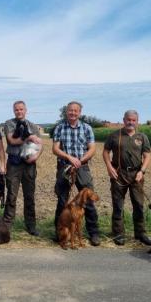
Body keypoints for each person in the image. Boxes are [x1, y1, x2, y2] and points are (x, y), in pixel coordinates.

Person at [51, 101, 101, 246]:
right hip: (64, 168)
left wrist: (80, 160)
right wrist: (69, 158)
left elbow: (92, 149)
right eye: (70, 110)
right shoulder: (60, 127)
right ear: (66, 112)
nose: (72, 113)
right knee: (62, 201)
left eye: (75, 111)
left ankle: (94, 233)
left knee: (89, 201)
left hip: (82, 168)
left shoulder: (87, 128)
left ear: (80, 112)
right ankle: (60, 232)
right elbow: (55, 149)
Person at [102, 110, 151, 246]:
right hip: (119, 174)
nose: (131, 122)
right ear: (124, 120)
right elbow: (105, 151)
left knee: (139, 205)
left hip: (137, 175)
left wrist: (142, 171)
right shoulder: (114, 135)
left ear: (137, 121)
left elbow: (147, 155)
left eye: (133, 120)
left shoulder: (142, 137)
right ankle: (118, 234)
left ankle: (140, 233)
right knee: (118, 205)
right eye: (128, 119)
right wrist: (109, 167)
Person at [2, 100, 43, 236]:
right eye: (16, 110)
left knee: (29, 196)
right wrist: (29, 137)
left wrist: (36, 156)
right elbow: (12, 141)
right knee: (12, 195)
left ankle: (31, 226)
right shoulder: (9, 123)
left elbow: (40, 144)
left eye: (21, 109)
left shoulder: (33, 126)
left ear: (26, 110)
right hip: (14, 163)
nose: (19, 111)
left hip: (29, 165)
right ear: (14, 111)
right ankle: (7, 225)